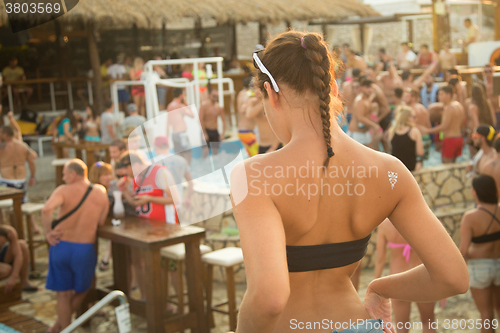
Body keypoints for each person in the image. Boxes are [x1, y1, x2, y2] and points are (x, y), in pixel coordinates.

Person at [231, 30, 468, 333]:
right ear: (332, 87)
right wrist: (382, 286)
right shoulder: (389, 171)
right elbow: (454, 277)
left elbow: (269, 299)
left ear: (271, 94)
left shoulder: (253, 176)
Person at [41, 159, 108, 333]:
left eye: (64, 174)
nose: (63, 178)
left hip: (61, 245)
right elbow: (101, 221)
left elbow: (46, 210)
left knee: (62, 294)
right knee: (84, 289)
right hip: (84, 248)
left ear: (73, 174)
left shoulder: (63, 190)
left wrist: (48, 232)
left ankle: (61, 327)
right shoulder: (101, 192)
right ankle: (60, 327)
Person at [118, 152, 179, 300]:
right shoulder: (137, 178)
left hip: (166, 229)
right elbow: (136, 203)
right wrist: (124, 191)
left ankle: (182, 304)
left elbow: (175, 198)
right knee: (150, 266)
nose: (126, 174)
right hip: (147, 231)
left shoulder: (159, 172)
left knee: (171, 267)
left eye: (127, 170)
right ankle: (155, 301)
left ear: (135, 164)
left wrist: (150, 198)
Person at [375, 219, 437, 333]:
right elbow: (434, 251)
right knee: (428, 323)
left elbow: (380, 260)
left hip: (397, 279)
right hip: (421, 276)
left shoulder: (384, 225)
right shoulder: (418, 218)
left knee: (401, 328)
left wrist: (375, 288)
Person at [459, 175, 500, 333]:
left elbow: (463, 251)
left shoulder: (470, 217)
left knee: (486, 314)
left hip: (480, 267)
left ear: (475, 192)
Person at [420, 86, 465, 163]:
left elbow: (444, 127)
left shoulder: (449, 108)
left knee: (446, 165)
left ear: (448, 95)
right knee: (453, 166)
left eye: (441, 94)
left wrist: (428, 131)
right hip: (459, 138)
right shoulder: (458, 105)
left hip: (450, 139)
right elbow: (463, 123)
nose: (439, 97)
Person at [153, 136, 193, 205]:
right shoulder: (181, 160)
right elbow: (190, 183)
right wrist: (188, 199)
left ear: (156, 147)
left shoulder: (153, 163)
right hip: (177, 203)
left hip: (162, 204)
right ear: (168, 146)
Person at [0, 126, 36, 202]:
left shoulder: (2, 147)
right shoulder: (23, 146)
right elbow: (31, 163)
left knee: (5, 207)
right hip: (21, 181)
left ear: (5, 134)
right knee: (21, 206)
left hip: (5, 181)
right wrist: (32, 176)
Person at [0, 225, 37, 292]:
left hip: (3, 256)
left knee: (22, 245)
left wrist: (14, 277)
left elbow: (18, 255)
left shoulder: (9, 231)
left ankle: (24, 282)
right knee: (6, 270)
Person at [245, 87, 281, 154]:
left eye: (259, 88)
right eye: (255, 88)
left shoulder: (272, 103)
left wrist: (273, 147)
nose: (257, 90)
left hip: (274, 146)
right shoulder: (253, 102)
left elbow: (280, 127)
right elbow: (249, 115)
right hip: (262, 145)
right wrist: (262, 102)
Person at [347, 79, 382, 149]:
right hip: (356, 134)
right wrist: (375, 125)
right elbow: (360, 118)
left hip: (365, 132)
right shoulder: (359, 100)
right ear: (362, 88)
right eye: (368, 88)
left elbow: (367, 109)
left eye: (372, 88)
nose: (370, 90)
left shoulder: (367, 99)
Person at [388, 106, 424, 172]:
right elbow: (420, 153)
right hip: (411, 168)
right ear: (407, 118)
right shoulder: (414, 131)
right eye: (414, 117)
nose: (416, 119)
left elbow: (392, 151)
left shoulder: (392, 132)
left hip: (396, 169)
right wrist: (419, 164)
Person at [166, 88, 194, 164]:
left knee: (179, 154)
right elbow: (192, 115)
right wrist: (186, 103)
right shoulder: (179, 106)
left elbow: (168, 122)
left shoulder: (170, 106)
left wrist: (167, 135)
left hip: (174, 134)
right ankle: (187, 170)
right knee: (188, 153)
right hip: (182, 134)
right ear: (181, 96)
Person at [199, 88, 226, 155]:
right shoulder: (204, 106)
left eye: (217, 96)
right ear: (209, 95)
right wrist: (204, 133)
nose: (215, 97)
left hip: (215, 131)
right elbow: (200, 120)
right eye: (214, 96)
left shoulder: (219, 107)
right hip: (206, 130)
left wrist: (222, 134)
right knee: (205, 151)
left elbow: (224, 121)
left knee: (215, 152)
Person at [237, 78, 259, 157]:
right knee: (257, 156)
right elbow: (242, 109)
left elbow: (240, 109)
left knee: (252, 157)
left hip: (243, 132)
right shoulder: (248, 95)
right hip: (247, 133)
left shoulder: (241, 94)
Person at [482, 64, 500, 129]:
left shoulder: (497, 84)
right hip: (488, 114)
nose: (488, 74)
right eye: (486, 71)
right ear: (483, 73)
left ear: (493, 72)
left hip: (498, 112)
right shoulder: (482, 86)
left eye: (490, 71)